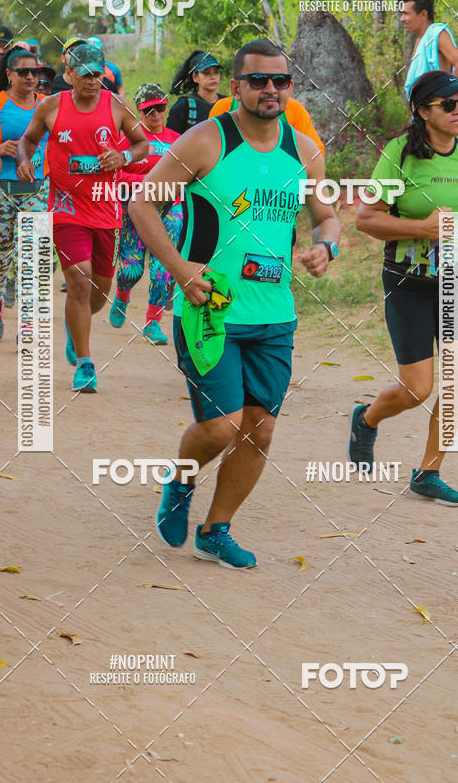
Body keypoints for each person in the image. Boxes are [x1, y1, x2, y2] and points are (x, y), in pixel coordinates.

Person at [129, 39, 340, 568]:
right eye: (259, 80)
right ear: (238, 87)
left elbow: (327, 216)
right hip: (210, 309)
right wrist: (180, 269)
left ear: (290, 89)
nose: (271, 90)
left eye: (281, 81)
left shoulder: (305, 150)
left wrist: (326, 245)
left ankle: (216, 530)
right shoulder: (206, 141)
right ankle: (180, 483)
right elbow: (142, 202)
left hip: (274, 315)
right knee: (222, 424)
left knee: (261, 427)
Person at [351, 70, 458, 505]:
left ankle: (428, 472)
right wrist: (420, 227)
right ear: (423, 111)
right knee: (417, 389)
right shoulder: (399, 155)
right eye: (450, 104)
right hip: (409, 281)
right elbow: (366, 219)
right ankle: (366, 420)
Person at [17, 42, 149, 393]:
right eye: (86, 74)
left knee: (99, 292)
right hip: (66, 207)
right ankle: (86, 364)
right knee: (79, 276)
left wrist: (122, 156)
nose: (93, 81)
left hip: (105, 208)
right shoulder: (50, 106)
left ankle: (74, 326)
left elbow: (142, 145)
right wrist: (25, 159)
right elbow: (28, 140)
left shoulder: (117, 106)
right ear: (69, 75)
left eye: (97, 75)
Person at [0, 48, 49, 338]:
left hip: (37, 189)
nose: (30, 77)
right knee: (1, 257)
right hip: (2, 191)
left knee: (30, 255)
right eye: (23, 72)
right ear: (9, 74)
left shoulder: (47, 104)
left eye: (35, 72)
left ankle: (28, 321)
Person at [109, 83, 181, 343]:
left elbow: (187, 172)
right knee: (131, 270)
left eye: (160, 108)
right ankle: (122, 294)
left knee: (164, 268)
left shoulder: (176, 140)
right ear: (139, 112)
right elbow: (114, 173)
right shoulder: (127, 139)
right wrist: (141, 184)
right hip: (134, 208)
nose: (156, 115)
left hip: (170, 208)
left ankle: (153, 323)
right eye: (149, 110)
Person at [210, 92, 325, 158]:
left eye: (278, 80)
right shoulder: (223, 107)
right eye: (258, 79)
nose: (269, 88)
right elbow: (210, 153)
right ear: (237, 85)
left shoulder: (294, 109)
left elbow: (316, 154)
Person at [401, 0, 458, 99]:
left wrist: (449, 102)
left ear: (423, 14)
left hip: (439, 112)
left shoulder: (436, 33)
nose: (402, 18)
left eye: (406, 14)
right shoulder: (420, 40)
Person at [166, 51, 225, 134]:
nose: (213, 77)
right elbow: (170, 139)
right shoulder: (184, 105)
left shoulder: (228, 102)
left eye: (216, 72)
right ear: (195, 77)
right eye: (206, 73)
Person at [51, 37, 117, 96]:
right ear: (63, 58)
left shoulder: (105, 85)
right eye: (71, 51)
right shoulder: (51, 86)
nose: (77, 55)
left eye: (82, 51)